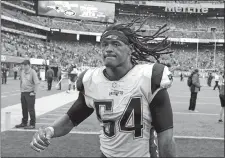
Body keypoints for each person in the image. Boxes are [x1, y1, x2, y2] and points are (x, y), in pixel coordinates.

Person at [30, 21, 176, 157]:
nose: (108, 49)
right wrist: (50, 130)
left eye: (116, 44)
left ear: (130, 49)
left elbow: (166, 137)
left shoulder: (149, 78)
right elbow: (71, 119)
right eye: (104, 44)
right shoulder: (92, 80)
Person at [15, 60, 39, 129]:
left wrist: (34, 92)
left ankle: (32, 124)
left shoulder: (33, 72)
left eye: (25, 65)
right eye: (23, 65)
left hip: (30, 93)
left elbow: (37, 83)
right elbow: (21, 81)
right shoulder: (22, 72)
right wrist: (21, 90)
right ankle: (24, 122)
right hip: (23, 93)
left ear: (29, 65)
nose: (24, 67)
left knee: (31, 109)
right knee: (24, 108)